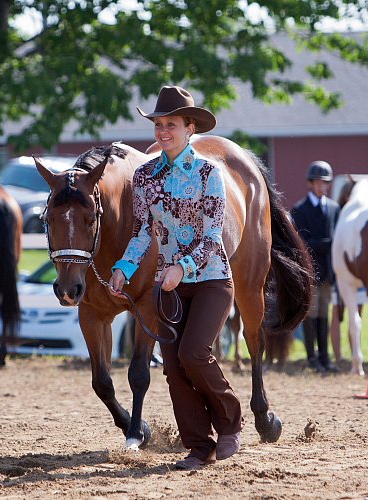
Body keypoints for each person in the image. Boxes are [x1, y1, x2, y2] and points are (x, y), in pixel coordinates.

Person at [108, 85, 242, 471]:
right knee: (172, 367)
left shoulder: (208, 173)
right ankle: (199, 447)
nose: (163, 131)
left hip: (212, 278)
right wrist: (124, 267)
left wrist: (181, 266)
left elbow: (212, 235)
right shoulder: (145, 177)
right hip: (168, 286)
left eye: (171, 124)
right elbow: (141, 232)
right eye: (158, 124)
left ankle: (230, 421)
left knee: (193, 353)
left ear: (189, 128)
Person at [291, 161, 340, 373]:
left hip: (327, 270)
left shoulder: (334, 208)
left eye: (325, 183)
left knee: (324, 314)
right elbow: (301, 242)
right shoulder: (300, 210)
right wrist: (326, 244)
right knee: (311, 314)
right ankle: (312, 358)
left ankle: (324, 357)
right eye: (319, 182)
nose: (322, 186)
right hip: (310, 270)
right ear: (311, 183)